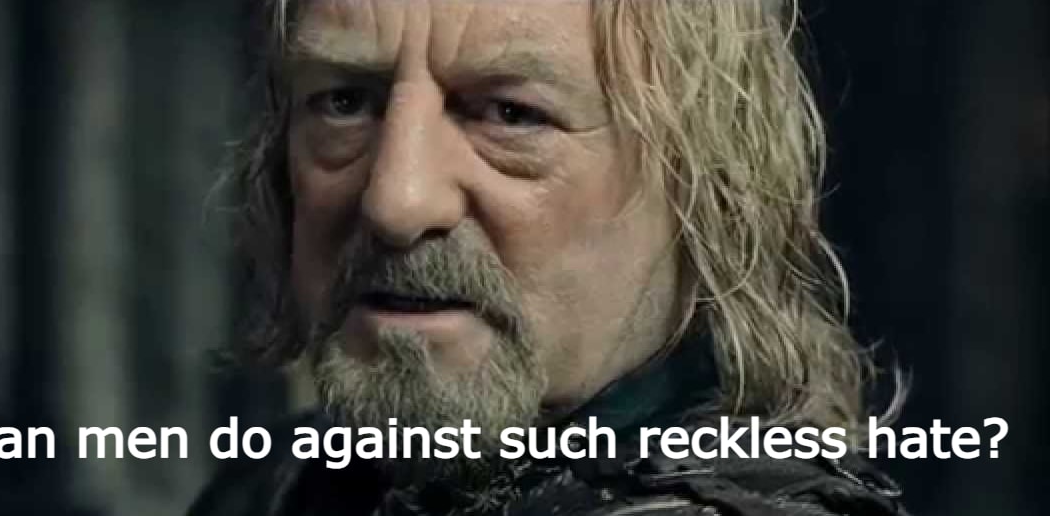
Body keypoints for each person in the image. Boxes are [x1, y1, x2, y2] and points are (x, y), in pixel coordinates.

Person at [194, 1, 908, 514]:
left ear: (708, 187)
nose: (395, 201)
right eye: (345, 102)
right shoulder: (272, 489)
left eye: (512, 114)